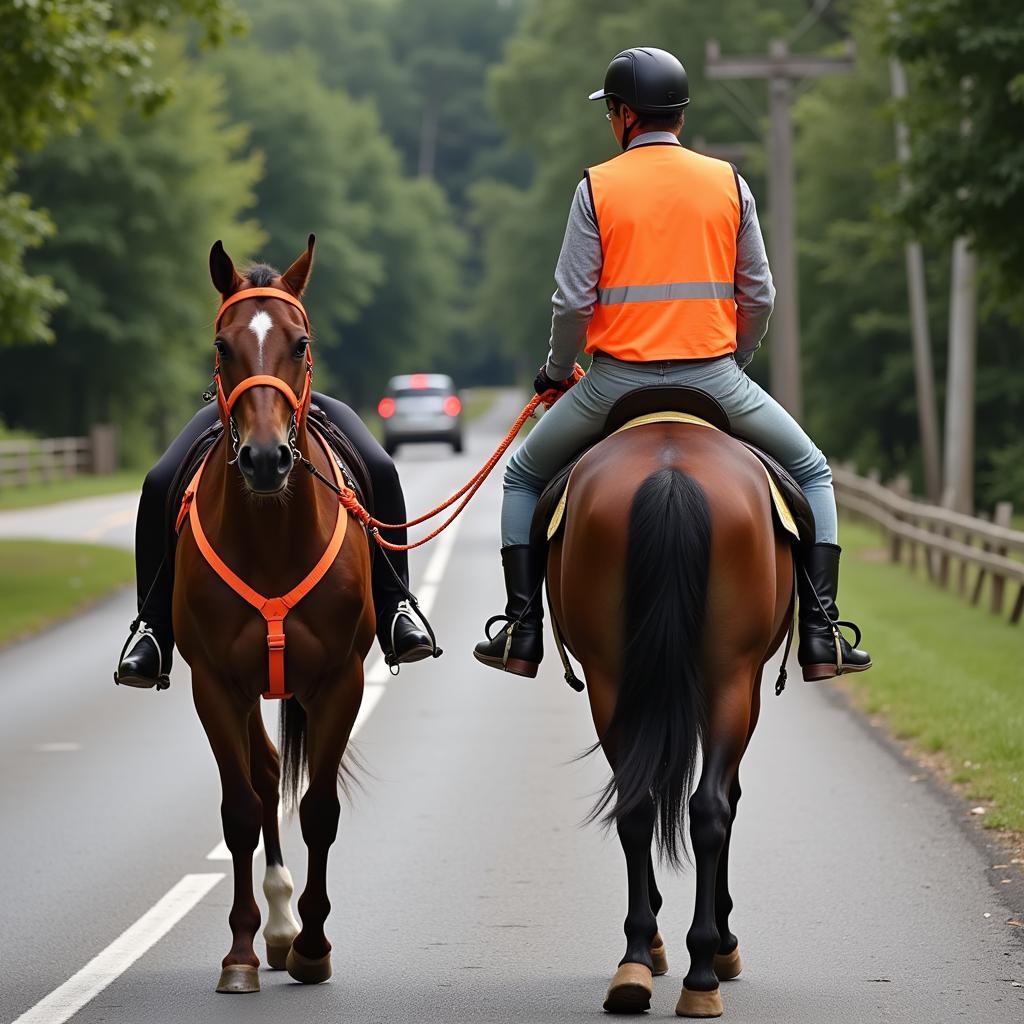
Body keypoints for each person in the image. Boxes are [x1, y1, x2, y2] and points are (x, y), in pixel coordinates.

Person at [473, 46, 871, 683]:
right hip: (715, 378)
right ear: (678, 116)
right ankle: (822, 632)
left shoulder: (595, 187)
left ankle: (522, 630)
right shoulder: (728, 182)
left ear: (626, 116)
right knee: (812, 470)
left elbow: (573, 301)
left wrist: (554, 370)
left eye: (611, 112)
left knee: (522, 476)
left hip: (614, 384)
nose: (611, 121)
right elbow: (760, 294)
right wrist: (737, 357)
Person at [115, 268, 432, 690]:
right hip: (234, 405)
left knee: (381, 467)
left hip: (299, 401)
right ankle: (152, 629)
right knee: (158, 482)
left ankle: (396, 607)